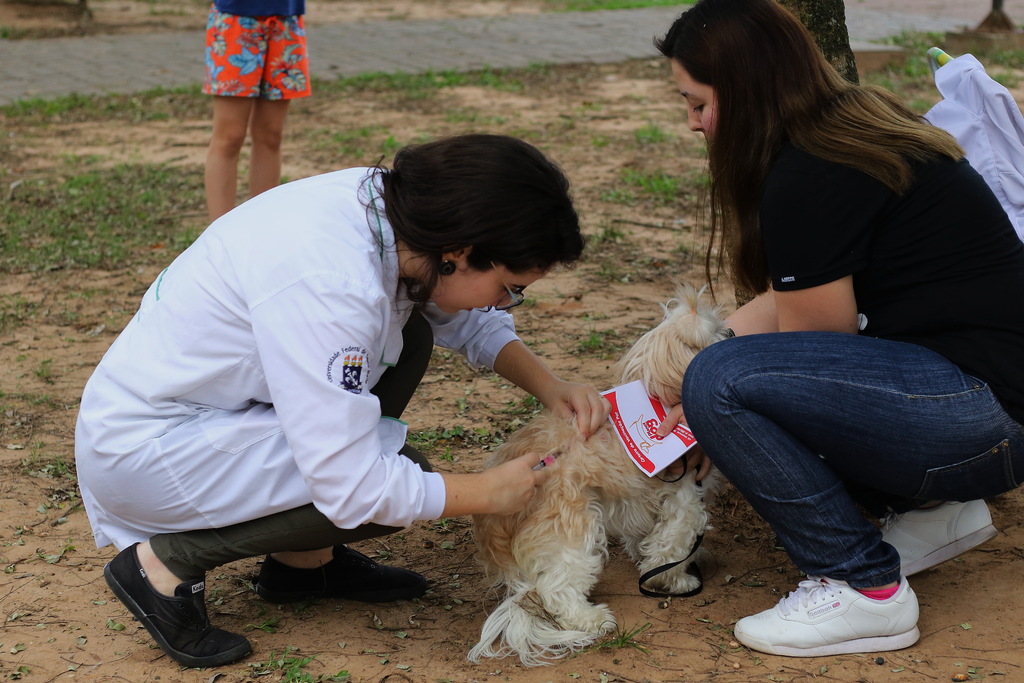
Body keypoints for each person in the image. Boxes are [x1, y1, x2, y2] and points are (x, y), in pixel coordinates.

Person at [74, 134, 611, 668]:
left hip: (208, 412)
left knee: (412, 336)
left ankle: (304, 564)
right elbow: (352, 489)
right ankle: (163, 564)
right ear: (461, 252)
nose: (507, 301)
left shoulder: (395, 212)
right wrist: (484, 492)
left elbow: (464, 312)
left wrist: (550, 385)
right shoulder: (334, 286)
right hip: (149, 452)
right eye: (510, 286)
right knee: (400, 478)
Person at [653, 0, 1024, 659]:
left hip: (978, 416)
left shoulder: (807, 175)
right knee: (712, 368)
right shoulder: (850, 130)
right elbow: (787, 300)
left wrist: (704, 409)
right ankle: (938, 512)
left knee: (719, 385)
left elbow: (812, 352)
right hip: (991, 408)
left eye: (698, 102)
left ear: (742, 93)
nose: (692, 123)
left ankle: (863, 587)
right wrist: (686, 360)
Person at [203, 0, 311, 221]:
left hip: (286, 21)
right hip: (235, 19)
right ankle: (218, 235)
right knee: (230, 136)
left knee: (271, 135)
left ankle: (264, 227)